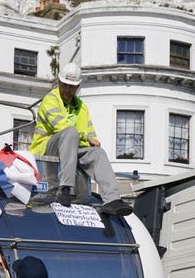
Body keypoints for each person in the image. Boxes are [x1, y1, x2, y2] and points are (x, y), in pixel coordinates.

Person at [29, 62, 133, 216]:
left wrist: (91, 143)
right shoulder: (50, 99)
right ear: (59, 82)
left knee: (98, 153)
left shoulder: (82, 107)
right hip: (47, 152)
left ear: (78, 87)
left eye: (72, 87)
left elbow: (92, 137)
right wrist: (85, 137)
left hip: (71, 151)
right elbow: (62, 127)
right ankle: (64, 188)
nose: (68, 90)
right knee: (70, 132)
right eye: (65, 85)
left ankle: (112, 199)